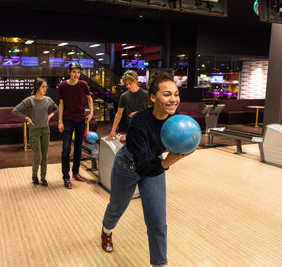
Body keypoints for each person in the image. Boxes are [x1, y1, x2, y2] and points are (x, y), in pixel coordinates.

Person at [100, 71, 195, 266]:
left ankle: (159, 263)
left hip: (156, 165)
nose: (173, 99)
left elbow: (179, 140)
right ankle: (106, 231)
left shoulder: (175, 120)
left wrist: (187, 144)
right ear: (153, 97)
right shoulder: (139, 122)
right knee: (117, 206)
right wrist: (169, 161)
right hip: (129, 166)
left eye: (176, 94)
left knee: (157, 220)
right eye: (167, 94)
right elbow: (143, 167)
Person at [12, 78, 58, 186]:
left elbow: (56, 109)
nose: (45, 89)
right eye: (43, 87)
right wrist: (26, 117)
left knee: (45, 156)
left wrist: (50, 116)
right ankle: (34, 176)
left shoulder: (48, 100)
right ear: (37, 87)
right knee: (38, 156)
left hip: (45, 130)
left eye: (46, 87)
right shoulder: (29, 100)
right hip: (34, 131)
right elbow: (15, 110)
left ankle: (43, 178)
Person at [58, 62, 94, 189]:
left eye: (78, 72)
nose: (76, 74)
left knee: (78, 148)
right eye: (74, 72)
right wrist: (60, 121)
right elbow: (61, 104)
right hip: (68, 120)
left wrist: (91, 113)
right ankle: (66, 177)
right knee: (66, 150)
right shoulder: (62, 86)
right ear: (69, 72)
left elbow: (89, 98)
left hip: (81, 120)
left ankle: (75, 172)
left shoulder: (83, 84)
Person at [105, 70, 151, 141]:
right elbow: (119, 114)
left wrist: (138, 113)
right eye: (126, 84)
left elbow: (151, 112)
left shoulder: (146, 94)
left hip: (145, 127)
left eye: (130, 83)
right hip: (131, 127)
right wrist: (113, 130)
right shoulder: (124, 96)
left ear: (136, 81)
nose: (128, 86)